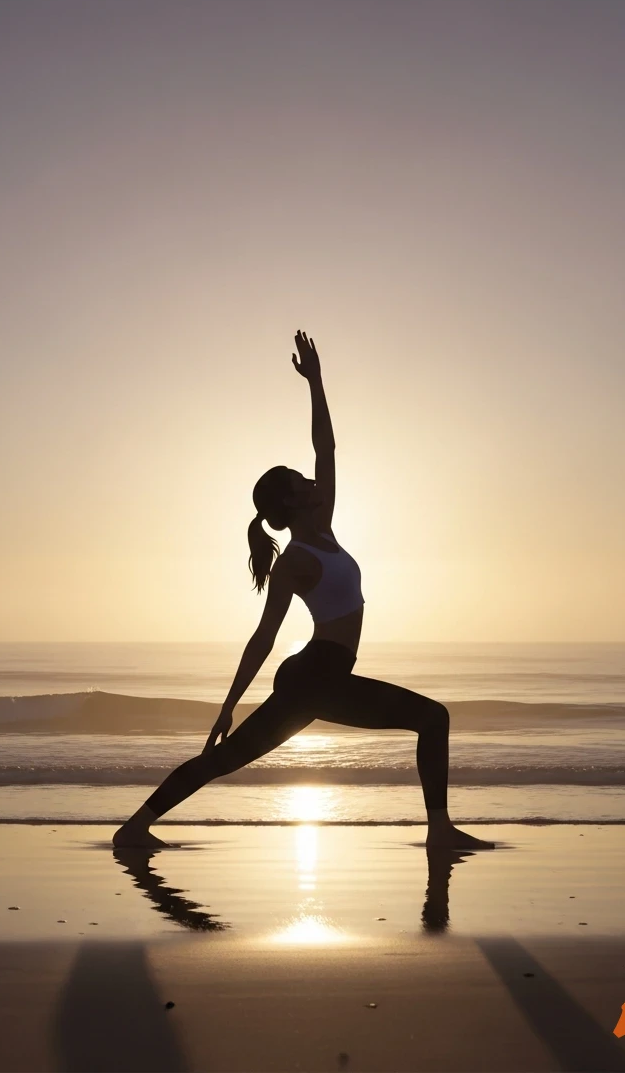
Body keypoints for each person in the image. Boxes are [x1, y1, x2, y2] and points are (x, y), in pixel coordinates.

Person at [112, 331, 494, 853]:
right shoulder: (294, 562)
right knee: (433, 717)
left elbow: (326, 448)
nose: (312, 482)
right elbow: (263, 637)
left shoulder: (325, 529)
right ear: (289, 504)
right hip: (315, 676)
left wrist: (316, 382)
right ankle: (439, 832)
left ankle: (135, 828)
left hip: (320, 676)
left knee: (224, 761)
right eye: (300, 482)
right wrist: (227, 706)